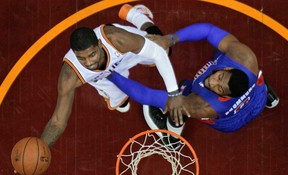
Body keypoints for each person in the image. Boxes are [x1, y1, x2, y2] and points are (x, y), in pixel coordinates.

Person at [107, 9, 279, 142]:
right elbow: (209, 31)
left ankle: (173, 134)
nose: (212, 81)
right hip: (258, 95)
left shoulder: (204, 105)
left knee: (180, 100)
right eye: (219, 77)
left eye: (219, 88)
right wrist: (170, 39)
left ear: (225, 96)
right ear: (227, 70)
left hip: (230, 122)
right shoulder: (245, 57)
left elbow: (148, 96)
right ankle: (265, 95)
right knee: (221, 49)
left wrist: (110, 74)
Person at [40, 4, 184, 147]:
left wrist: (173, 93)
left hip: (124, 54)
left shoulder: (116, 39)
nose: (89, 63)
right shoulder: (70, 74)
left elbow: (157, 53)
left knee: (163, 48)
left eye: (92, 54)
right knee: (122, 104)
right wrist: (42, 148)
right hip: (104, 76)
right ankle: (109, 87)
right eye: (81, 58)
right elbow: (58, 120)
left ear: (99, 44)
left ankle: (138, 16)